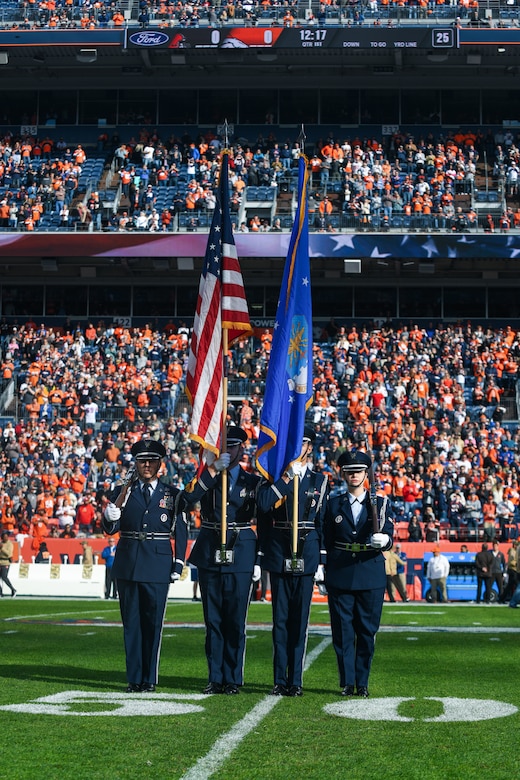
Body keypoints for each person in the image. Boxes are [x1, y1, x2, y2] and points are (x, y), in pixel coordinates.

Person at [102, 439, 188, 693]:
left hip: (159, 562)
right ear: (136, 464)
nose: (147, 464)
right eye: (142, 460)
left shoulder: (172, 494)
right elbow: (111, 528)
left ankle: (149, 677)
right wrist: (108, 519)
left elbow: (181, 531)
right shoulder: (122, 492)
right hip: (128, 562)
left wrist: (179, 562)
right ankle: (134, 678)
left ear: (160, 464)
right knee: (131, 624)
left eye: (151, 460)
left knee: (153, 624)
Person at [180, 426, 261, 695]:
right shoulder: (206, 477)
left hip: (241, 552)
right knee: (213, 619)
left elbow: (264, 513)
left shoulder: (252, 481)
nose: (229, 450)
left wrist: (258, 558)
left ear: (242, 449)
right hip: (210, 548)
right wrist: (212, 471)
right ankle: (215, 677)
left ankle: (233, 678)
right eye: (224, 446)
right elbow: (187, 500)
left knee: (236, 620)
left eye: (234, 446)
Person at [256, 426, 328, 697]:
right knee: (281, 621)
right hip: (279, 553)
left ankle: (295, 679)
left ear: (310, 447)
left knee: (300, 622)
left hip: (307, 556)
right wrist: (286, 478)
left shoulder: (320, 481)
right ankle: (279, 679)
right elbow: (263, 507)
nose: (299, 447)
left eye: (304, 442)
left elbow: (321, 524)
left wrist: (321, 563)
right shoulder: (274, 475)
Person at [324, 449, 394, 698]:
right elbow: (326, 541)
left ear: (367, 474)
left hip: (370, 573)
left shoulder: (381, 503)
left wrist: (383, 539)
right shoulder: (332, 505)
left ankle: (362, 682)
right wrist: (324, 571)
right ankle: (347, 682)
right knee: (342, 632)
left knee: (366, 631)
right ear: (343, 474)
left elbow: (389, 534)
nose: (354, 475)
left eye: (359, 471)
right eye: (349, 471)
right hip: (341, 572)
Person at [0, 531, 16, 597]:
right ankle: (0, 592)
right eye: (4, 537)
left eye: (6, 537)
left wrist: (2, 548)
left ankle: (13, 589)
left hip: (5, 562)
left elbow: (9, 554)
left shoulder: (10, 544)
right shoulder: (1, 543)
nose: (5, 538)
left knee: (4, 577)